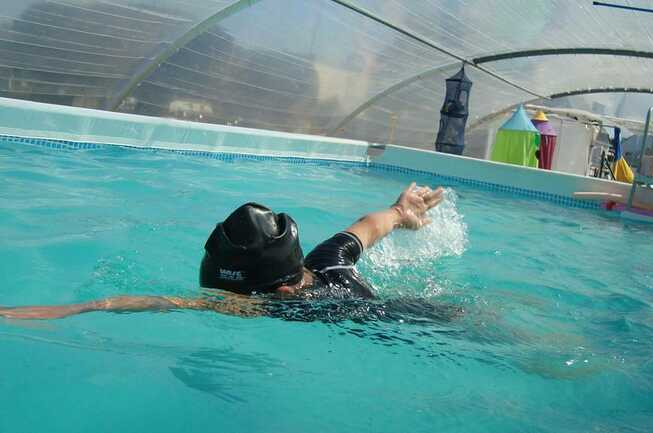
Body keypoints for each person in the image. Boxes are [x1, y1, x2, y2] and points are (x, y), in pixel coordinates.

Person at [0, 183, 447, 321]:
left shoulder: (283, 306)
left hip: (408, 322)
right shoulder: (327, 259)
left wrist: (78, 307)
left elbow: (166, 303)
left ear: (280, 291)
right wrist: (400, 210)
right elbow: (370, 225)